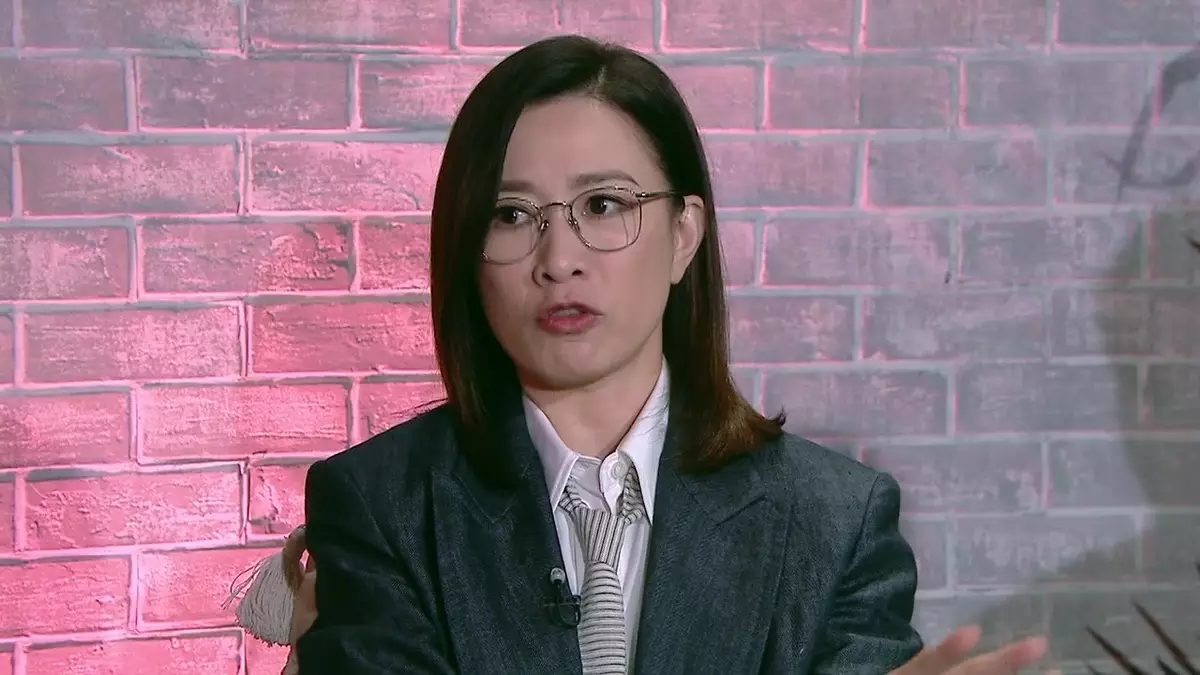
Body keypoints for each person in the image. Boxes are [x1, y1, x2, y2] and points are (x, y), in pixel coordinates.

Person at [291, 34, 1050, 674]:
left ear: (684, 234)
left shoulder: (835, 520)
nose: (560, 260)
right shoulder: (380, 508)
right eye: (511, 214)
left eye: (604, 205)